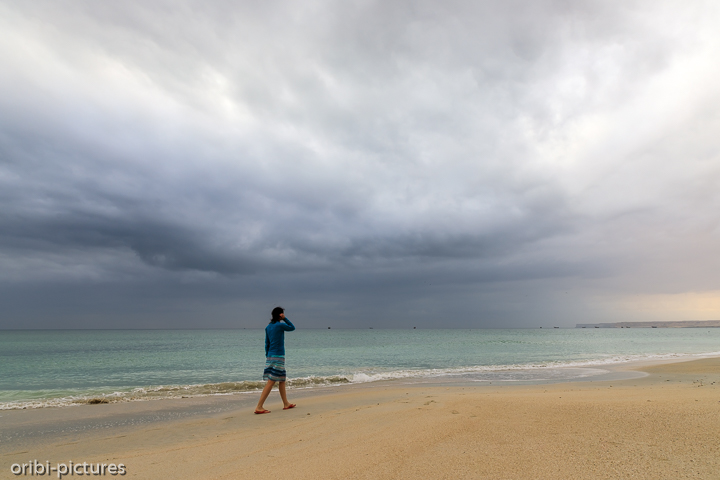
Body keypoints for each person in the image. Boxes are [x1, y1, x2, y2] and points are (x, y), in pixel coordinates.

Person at [254, 306, 296, 414]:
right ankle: (259, 406)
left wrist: (267, 356)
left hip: (270, 356)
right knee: (271, 382)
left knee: (282, 379)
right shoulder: (280, 325)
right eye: (282, 314)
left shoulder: (268, 327)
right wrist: (285, 318)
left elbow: (266, 343)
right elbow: (292, 327)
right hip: (278, 356)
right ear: (280, 315)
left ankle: (286, 403)